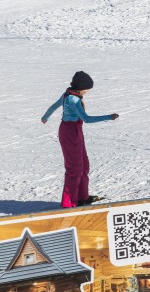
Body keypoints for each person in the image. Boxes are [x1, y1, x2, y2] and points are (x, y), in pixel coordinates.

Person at [41, 71, 119, 208]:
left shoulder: (68, 94)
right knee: (74, 169)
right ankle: (68, 203)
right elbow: (86, 119)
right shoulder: (73, 99)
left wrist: (45, 117)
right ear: (80, 87)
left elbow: (53, 107)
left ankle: (82, 197)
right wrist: (109, 117)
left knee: (84, 164)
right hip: (70, 132)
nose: (87, 92)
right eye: (86, 89)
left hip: (75, 130)